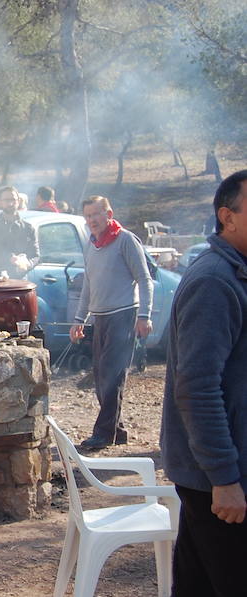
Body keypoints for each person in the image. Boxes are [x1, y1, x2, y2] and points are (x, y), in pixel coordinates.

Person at [160, 171, 247, 595]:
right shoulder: (215, 281)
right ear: (227, 216)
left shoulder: (237, 273)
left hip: (219, 473)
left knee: (199, 586)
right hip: (220, 478)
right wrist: (225, 478)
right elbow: (196, 386)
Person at [70, 195, 152, 450]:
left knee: (113, 376)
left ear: (108, 213)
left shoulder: (125, 240)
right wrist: (78, 319)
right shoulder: (91, 245)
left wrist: (144, 316)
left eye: (96, 214)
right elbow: (88, 287)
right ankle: (116, 430)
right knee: (100, 374)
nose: (92, 220)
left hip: (124, 314)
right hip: (101, 318)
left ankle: (103, 434)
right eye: (88, 216)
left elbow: (145, 279)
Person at [0, 186, 39, 279]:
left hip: (19, 281)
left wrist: (27, 264)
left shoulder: (28, 228)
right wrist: (9, 258)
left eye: (13, 199)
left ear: (18, 201)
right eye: (6, 200)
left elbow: (35, 255)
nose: (10, 203)